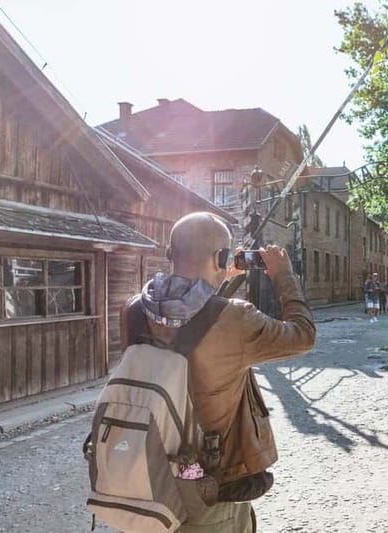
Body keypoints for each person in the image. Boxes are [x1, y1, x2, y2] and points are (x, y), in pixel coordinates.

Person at [119, 212, 315, 532]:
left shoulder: (133, 310)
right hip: (209, 491)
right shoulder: (236, 317)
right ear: (220, 257)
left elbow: (186, 321)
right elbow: (303, 335)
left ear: (171, 254)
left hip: (150, 482)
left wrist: (218, 276)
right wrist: (284, 276)